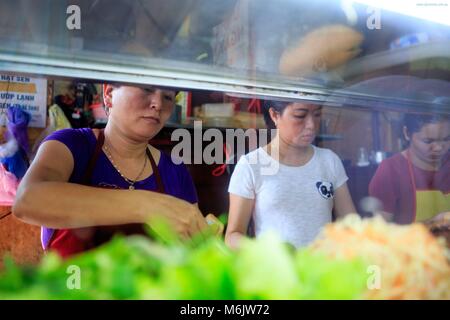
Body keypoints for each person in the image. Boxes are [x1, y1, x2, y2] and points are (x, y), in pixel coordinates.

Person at [13, 84, 208, 258]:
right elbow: (28, 200)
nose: (158, 104)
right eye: (146, 89)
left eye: (168, 96)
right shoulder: (71, 145)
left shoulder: (176, 170)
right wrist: (148, 206)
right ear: (108, 94)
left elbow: (192, 252)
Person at [225, 100, 356, 249]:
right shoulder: (250, 165)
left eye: (317, 114)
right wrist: (266, 253)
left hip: (323, 269)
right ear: (275, 115)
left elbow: (351, 224)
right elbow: (233, 236)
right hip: (276, 271)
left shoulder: (329, 161)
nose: (311, 125)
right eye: (300, 116)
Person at [369, 110, 449, 224]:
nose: (438, 148)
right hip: (413, 241)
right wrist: (432, 223)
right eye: (428, 141)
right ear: (407, 133)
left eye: (446, 139)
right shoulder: (391, 170)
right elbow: (381, 231)